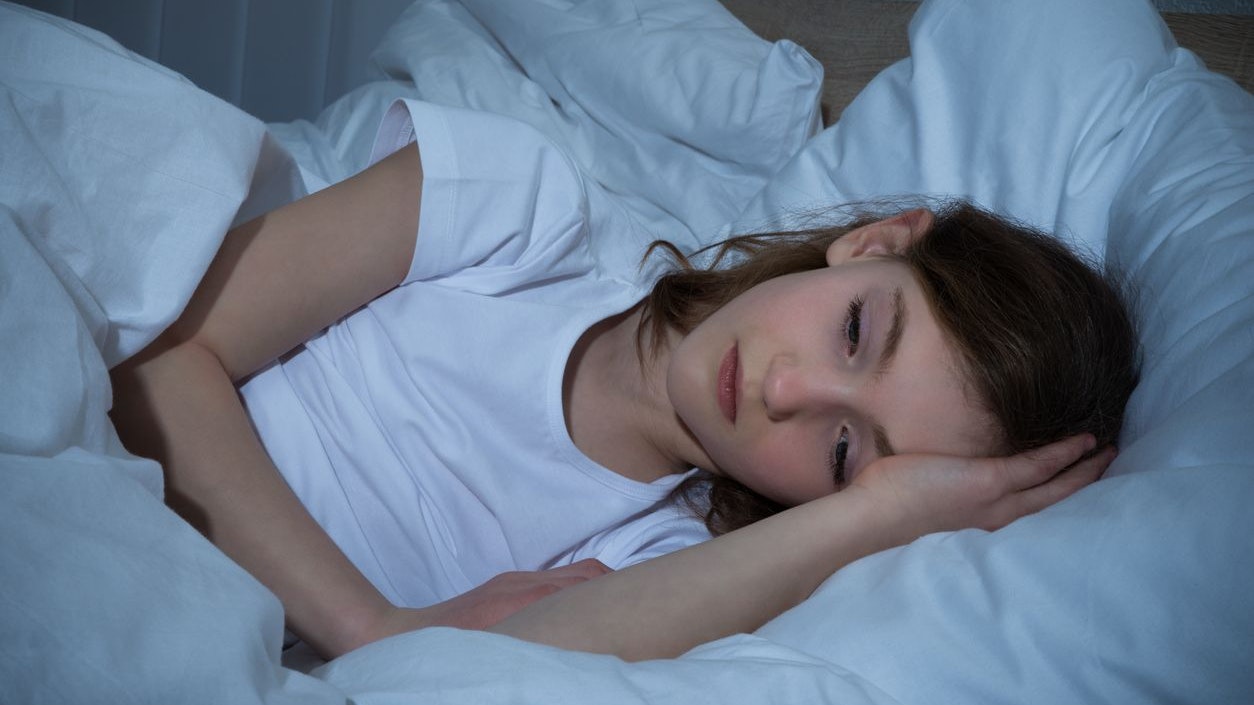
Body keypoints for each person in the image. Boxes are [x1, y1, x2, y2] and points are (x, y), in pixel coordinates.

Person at [109, 100, 1137, 662]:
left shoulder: (662, 561)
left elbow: (490, 682)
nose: (786, 392)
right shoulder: (524, 211)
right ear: (870, 241)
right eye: (857, 332)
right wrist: (368, 627)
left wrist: (875, 518)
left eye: (842, 452)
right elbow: (158, 353)